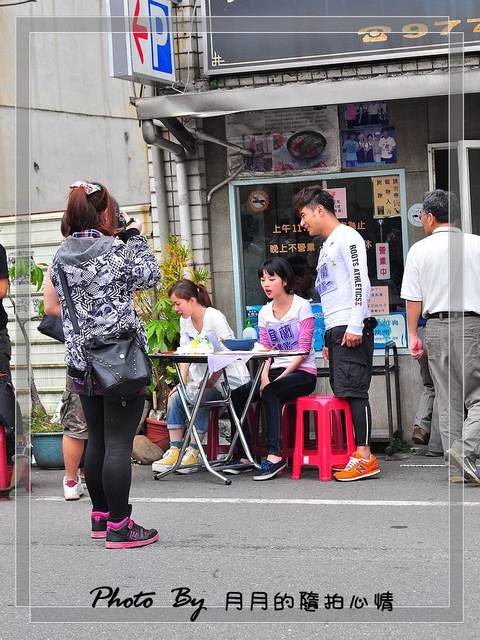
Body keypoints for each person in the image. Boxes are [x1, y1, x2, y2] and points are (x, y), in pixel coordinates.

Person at [44, 179, 161, 548]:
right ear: (107, 211)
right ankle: (120, 526)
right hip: (120, 360)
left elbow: (57, 306)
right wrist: (134, 235)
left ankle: (100, 516)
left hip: (81, 361)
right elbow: (151, 276)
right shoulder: (116, 250)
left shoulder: (60, 256)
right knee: (118, 444)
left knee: (95, 439)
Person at [293, 185, 380, 481]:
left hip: (350, 326)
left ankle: (365, 456)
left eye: (303, 215)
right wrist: (328, 337)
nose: (302, 223)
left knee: (355, 392)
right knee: (345, 390)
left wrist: (355, 325)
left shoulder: (347, 237)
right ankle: (358, 454)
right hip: (337, 327)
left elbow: (360, 281)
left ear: (319, 210)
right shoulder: (328, 244)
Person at [400, 189, 480, 483]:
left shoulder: (419, 250)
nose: (421, 219)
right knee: (477, 396)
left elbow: (413, 300)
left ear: (431, 217)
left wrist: (412, 334)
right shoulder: (477, 244)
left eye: (421, 215)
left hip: (435, 327)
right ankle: (465, 452)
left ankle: (458, 464)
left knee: (447, 399)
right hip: (472, 326)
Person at [228, 257, 317, 480]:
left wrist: (274, 381)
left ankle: (275, 457)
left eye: (272, 278)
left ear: (285, 281)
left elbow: (303, 351)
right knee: (236, 395)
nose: (266, 284)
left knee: (271, 391)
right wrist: (265, 376)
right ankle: (245, 456)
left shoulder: (302, 307)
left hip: (303, 373)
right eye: (262, 279)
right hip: (274, 371)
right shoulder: (264, 313)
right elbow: (266, 351)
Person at [151, 279, 250, 474]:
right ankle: (175, 449)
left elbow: (226, 352)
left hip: (227, 382)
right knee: (175, 398)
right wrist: (182, 382)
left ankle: (195, 451)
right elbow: (184, 353)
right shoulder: (185, 321)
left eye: (178, 303)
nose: (176, 308)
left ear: (192, 300)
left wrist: (211, 380)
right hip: (200, 381)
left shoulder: (214, 317)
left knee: (199, 398)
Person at [411, 322, 443, 457]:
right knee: (442, 388)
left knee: (430, 385)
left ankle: (420, 427)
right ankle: (437, 444)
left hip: (420, 333)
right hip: (441, 330)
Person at [61, 375, 88, 500]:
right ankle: (107, 481)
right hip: (119, 365)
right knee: (111, 425)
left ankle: (71, 483)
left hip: (82, 364)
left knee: (76, 424)